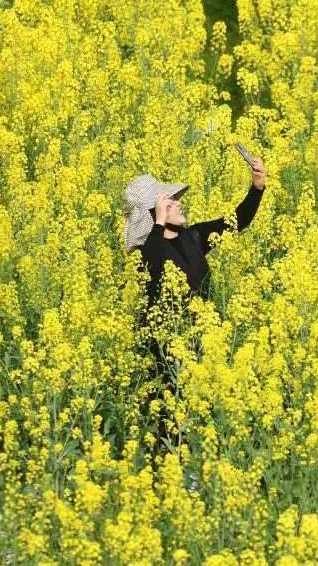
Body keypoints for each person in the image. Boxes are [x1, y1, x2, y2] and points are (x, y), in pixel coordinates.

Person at [122, 155, 266, 464]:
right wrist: (158, 223)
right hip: (167, 358)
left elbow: (235, 221)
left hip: (203, 349)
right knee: (173, 435)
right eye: (169, 201)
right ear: (154, 213)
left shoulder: (194, 237)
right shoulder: (146, 255)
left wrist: (256, 187)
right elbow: (155, 263)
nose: (178, 204)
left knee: (205, 429)